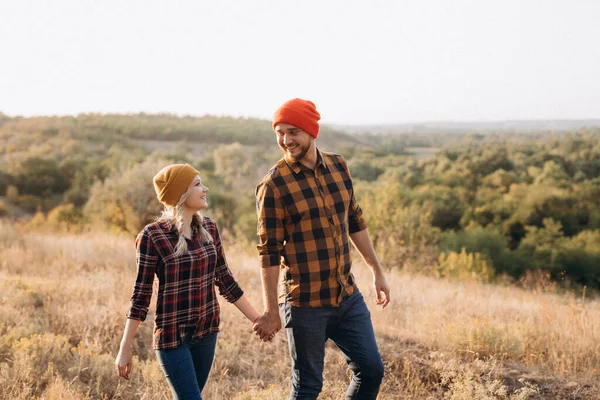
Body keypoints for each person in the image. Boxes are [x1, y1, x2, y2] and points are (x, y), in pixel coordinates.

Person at [253, 98, 391, 399]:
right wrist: (271, 310)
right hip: (304, 304)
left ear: (311, 131)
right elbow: (269, 251)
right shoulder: (273, 186)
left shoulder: (339, 166)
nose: (286, 140)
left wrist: (377, 272)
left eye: (294, 132)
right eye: (280, 133)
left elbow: (354, 220)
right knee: (308, 387)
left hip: (346, 296)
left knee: (371, 370)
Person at [115, 163, 261, 400]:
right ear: (180, 194)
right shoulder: (152, 236)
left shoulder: (210, 228)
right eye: (197, 184)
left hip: (207, 332)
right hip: (172, 337)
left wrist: (258, 319)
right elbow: (140, 296)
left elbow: (225, 280)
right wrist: (125, 346)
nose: (205, 189)